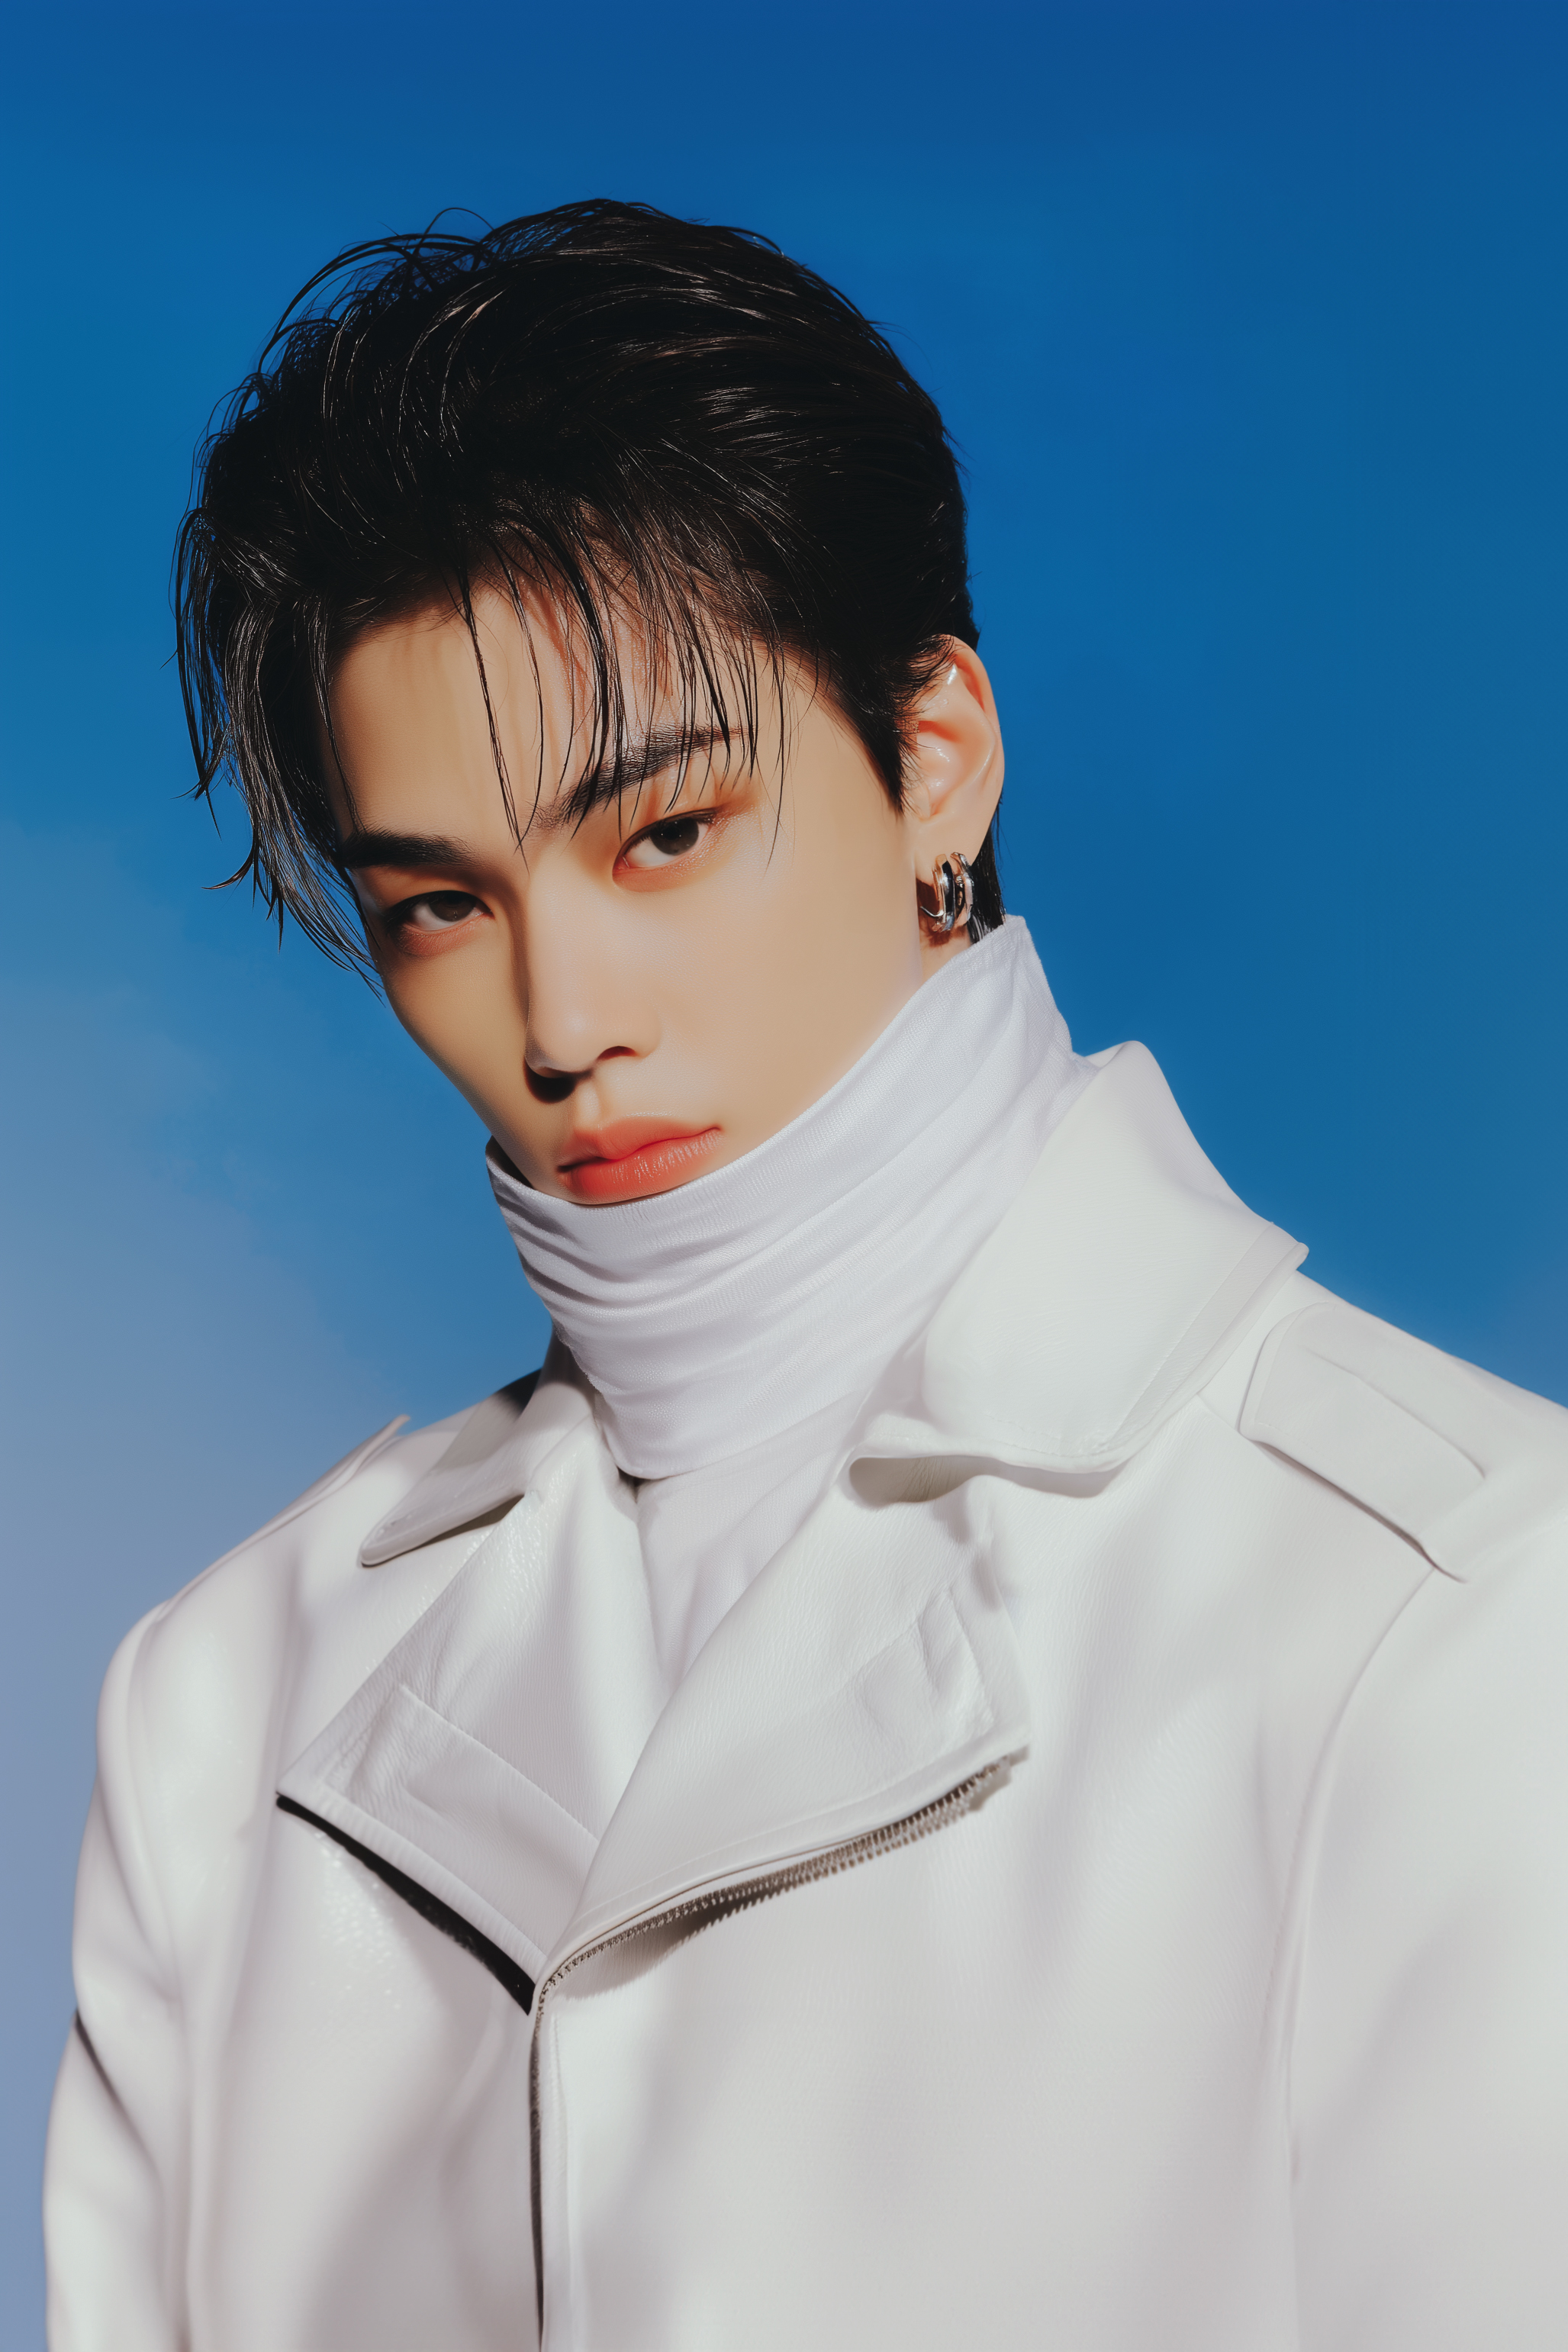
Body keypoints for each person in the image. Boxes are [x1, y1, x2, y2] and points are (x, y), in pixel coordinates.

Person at [42, 200, 1568, 2352]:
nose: (563, 1018)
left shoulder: (1463, 1613)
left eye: (664, 833)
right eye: (438, 906)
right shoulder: (231, 1701)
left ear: (934, 753)